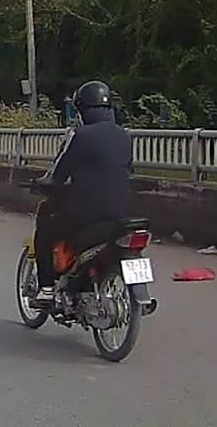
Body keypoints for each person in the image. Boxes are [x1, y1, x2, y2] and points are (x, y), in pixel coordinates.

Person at [31, 80, 132, 307]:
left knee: (45, 231)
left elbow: (58, 175)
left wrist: (43, 184)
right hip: (120, 214)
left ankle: (46, 289)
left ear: (83, 109)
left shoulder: (81, 135)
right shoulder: (124, 136)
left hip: (87, 215)